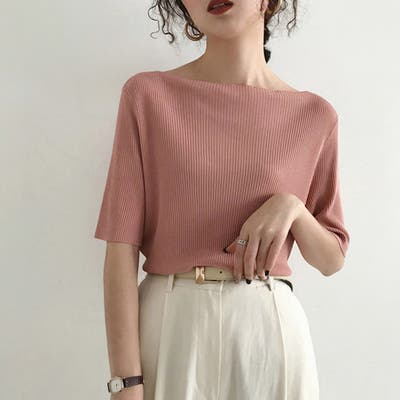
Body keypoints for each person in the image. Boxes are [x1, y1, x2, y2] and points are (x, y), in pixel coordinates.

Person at [94, 1, 350, 399]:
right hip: (171, 322)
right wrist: (125, 383)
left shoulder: (314, 115)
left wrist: (293, 209)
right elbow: (120, 247)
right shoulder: (147, 96)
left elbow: (331, 259)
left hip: (268, 330)